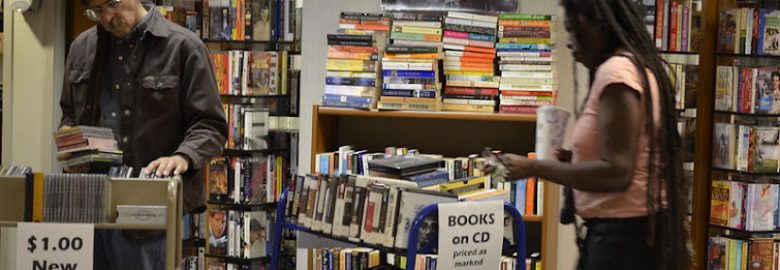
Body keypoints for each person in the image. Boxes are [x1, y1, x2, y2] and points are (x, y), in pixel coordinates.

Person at [484, 0, 688, 269]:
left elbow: (618, 172)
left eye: (571, 28)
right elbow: (631, 156)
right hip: (635, 234)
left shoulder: (616, 73)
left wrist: (533, 167)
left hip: (622, 242)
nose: (569, 42)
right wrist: (577, 159)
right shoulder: (634, 66)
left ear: (598, 25)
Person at [59, 0, 228, 269]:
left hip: (149, 207)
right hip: (89, 204)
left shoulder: (183, 46)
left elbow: (210, 124)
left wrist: (183, 157)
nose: (107, 17)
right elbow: (69, 111)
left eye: (112, 4)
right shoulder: (82, 47)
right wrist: (69, 134)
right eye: (97, 11)